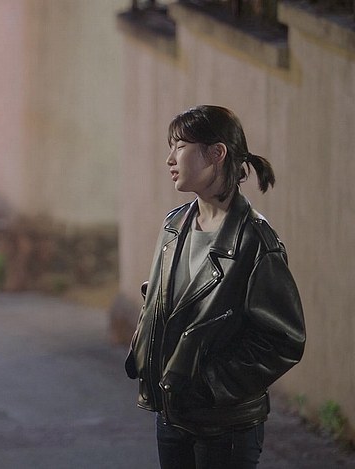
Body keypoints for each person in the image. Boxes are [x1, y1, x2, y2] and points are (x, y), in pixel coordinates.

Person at [124, 105, 306, 469]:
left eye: (180, 146)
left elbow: (283, 340)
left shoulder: (255, 240)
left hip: (225, 425)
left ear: (216, 153)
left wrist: (209, 383)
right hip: (172, 414)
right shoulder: (174, 225)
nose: (169, 159)